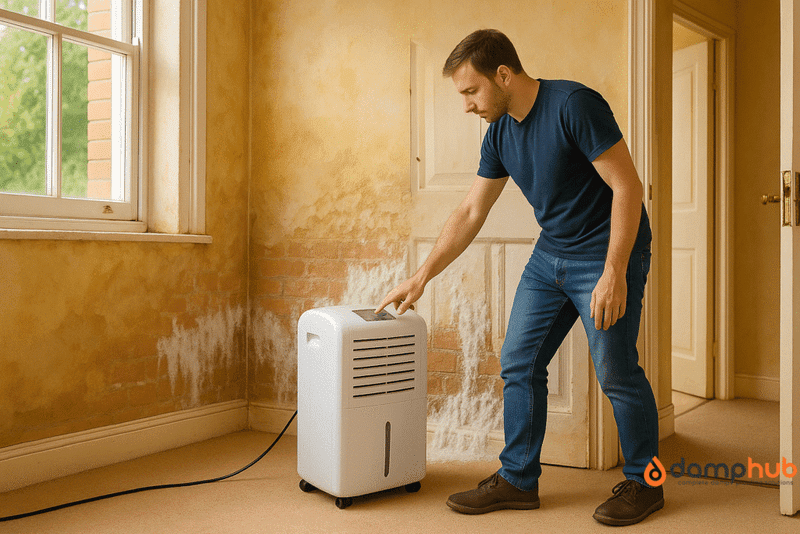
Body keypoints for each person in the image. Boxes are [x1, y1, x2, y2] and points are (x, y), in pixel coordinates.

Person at [375, 29, 663, 526]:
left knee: (616, 369)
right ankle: (517, 480)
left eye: (471, 91)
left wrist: (615, 271)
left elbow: (628, 186)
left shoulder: (573, 104)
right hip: (552, 253)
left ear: (503, 75)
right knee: (518, 360)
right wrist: (422, 276)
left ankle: (645, 482)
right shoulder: (501, 133)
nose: (465, 105)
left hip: (608, 251)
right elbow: (470, 210)